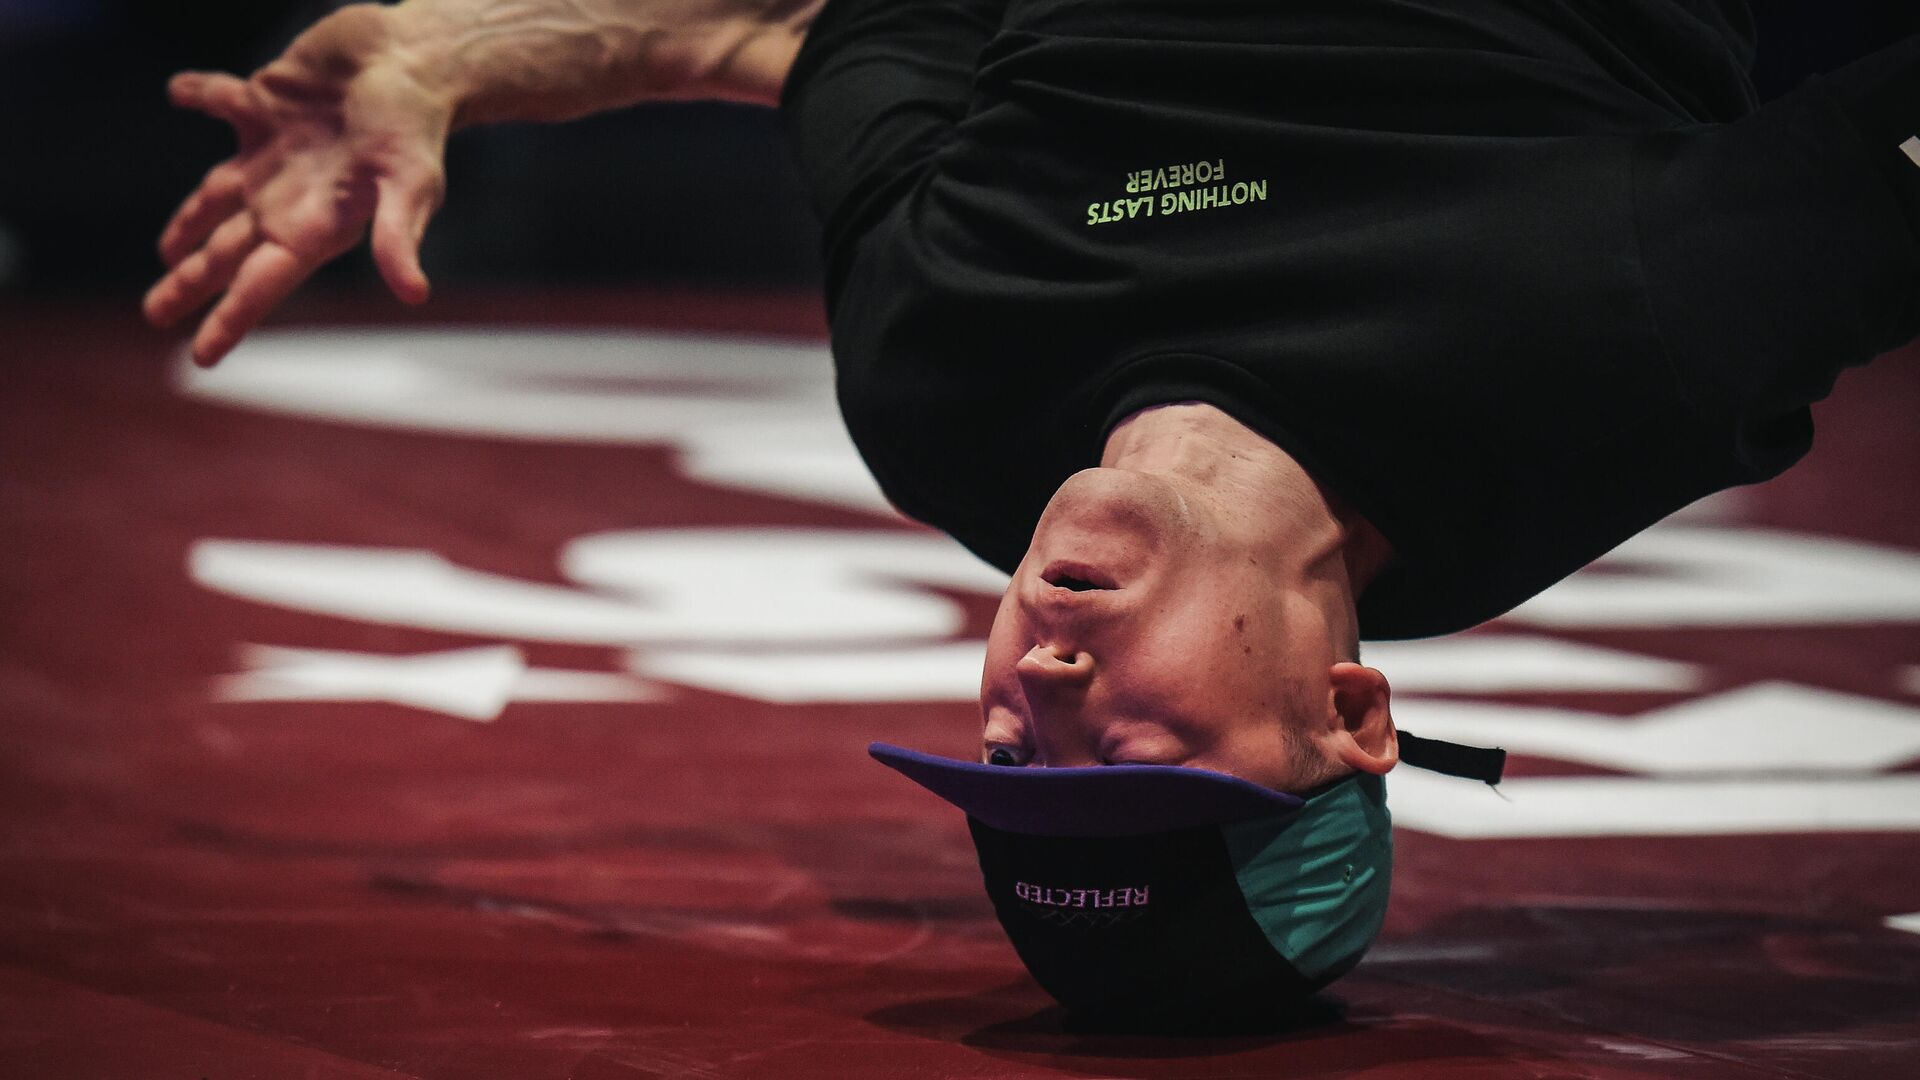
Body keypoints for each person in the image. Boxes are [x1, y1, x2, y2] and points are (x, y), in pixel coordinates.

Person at [144, 0, 1920, 1024]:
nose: (1034, 707)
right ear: (1352, 715)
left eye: (1004, 768)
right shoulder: (1621, 357)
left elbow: (792, 26)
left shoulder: (943, 387)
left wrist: (450, 56)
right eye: (1132, 768)